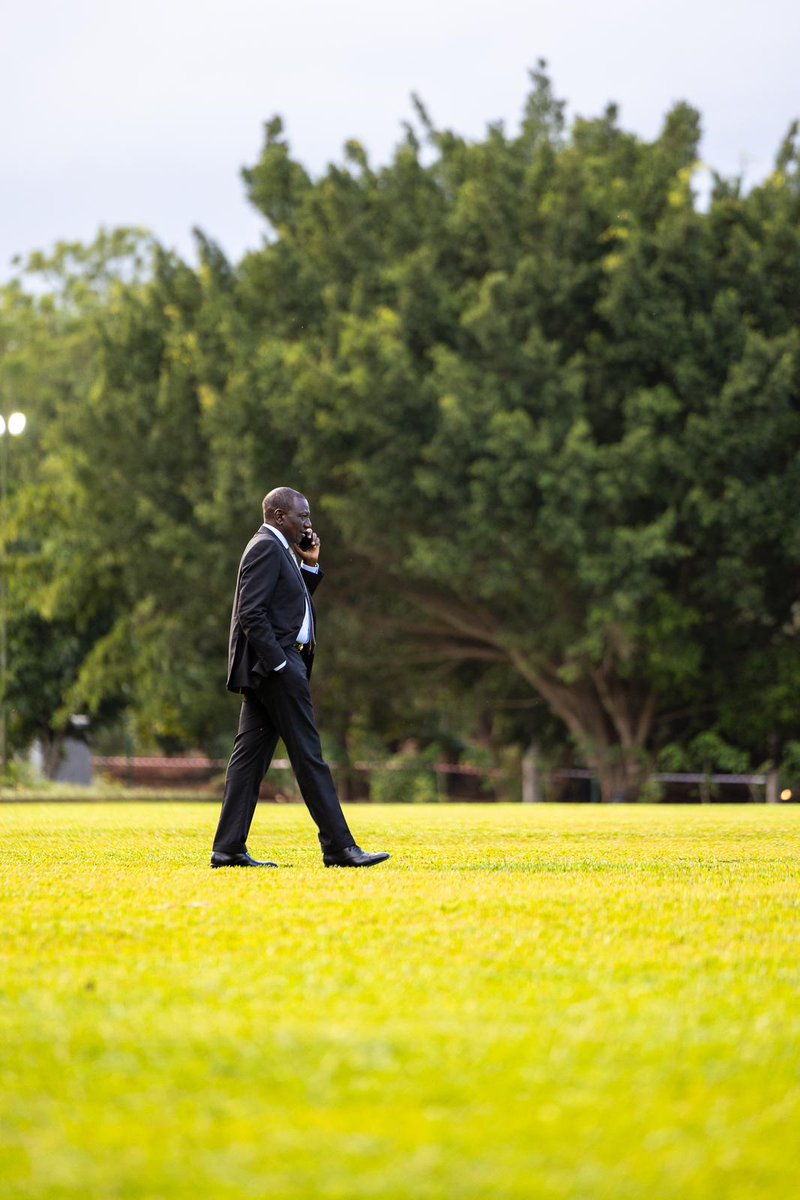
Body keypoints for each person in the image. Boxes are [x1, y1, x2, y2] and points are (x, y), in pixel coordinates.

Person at [211, 487, 390, 869]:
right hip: (276, 668)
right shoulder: (264, 547)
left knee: (248, 762)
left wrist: (309, 566)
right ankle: (339, 847)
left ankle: (227, 849)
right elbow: (251, 613)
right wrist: (278, 664)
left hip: (275, 666)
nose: (309, 524)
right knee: (309, 756)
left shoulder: (282, 550)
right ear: (278, 516)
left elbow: (287, 606)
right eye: (302, 516)